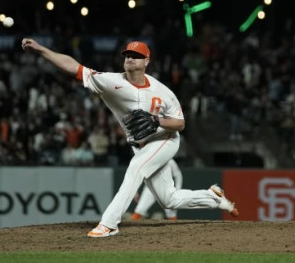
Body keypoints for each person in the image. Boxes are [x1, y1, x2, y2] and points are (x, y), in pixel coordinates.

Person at [21, 38, 238, 238]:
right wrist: (42, 50)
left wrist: (157, 121)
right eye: (127, 55)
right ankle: (213, 197)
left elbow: (180, 123)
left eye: (135, 56)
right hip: (141, 145)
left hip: (165, 139)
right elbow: (73, 67)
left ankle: (109, 223)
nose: (130, 59)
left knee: (136, 168)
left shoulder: (162, 91)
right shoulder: (109, 81)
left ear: (146, 61)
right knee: (168, 199)